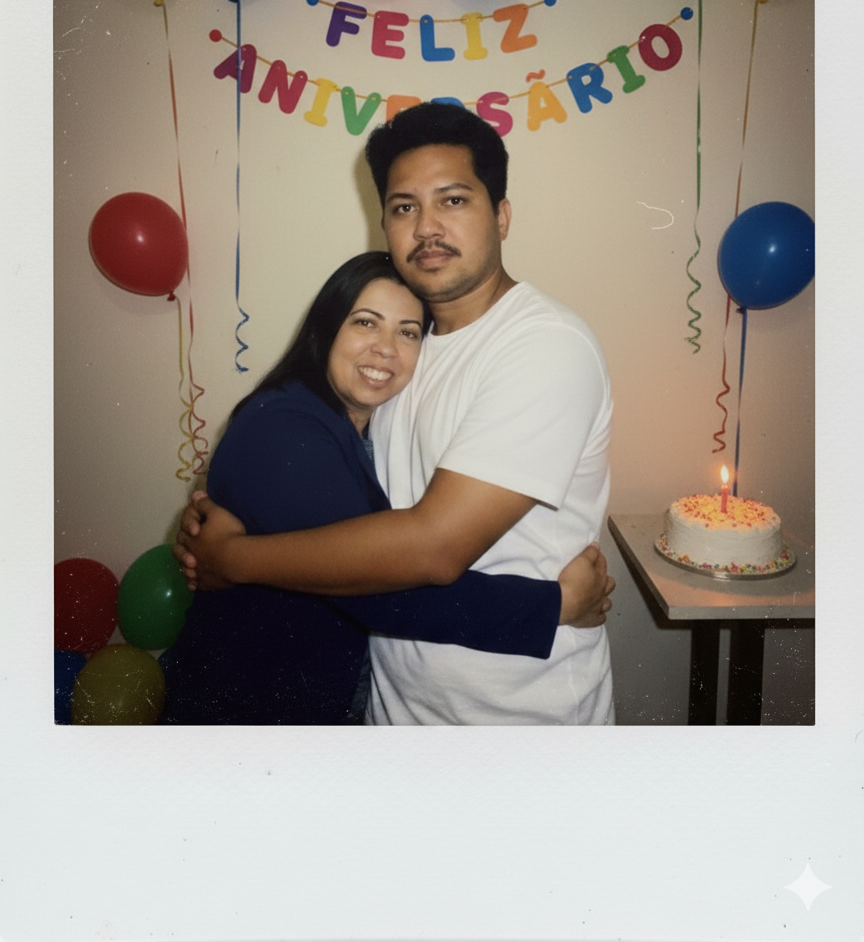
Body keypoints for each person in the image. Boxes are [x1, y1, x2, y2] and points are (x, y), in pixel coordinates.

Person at [175, 102, 616, 725]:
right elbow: (342, 519)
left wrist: (236, 558)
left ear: (503, 215)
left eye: (454, 200)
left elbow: (433, 547)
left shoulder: (544, 345)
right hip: (395, 711)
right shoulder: (408, 355)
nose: (426, 226)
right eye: (404, 206)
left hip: (515, 719)